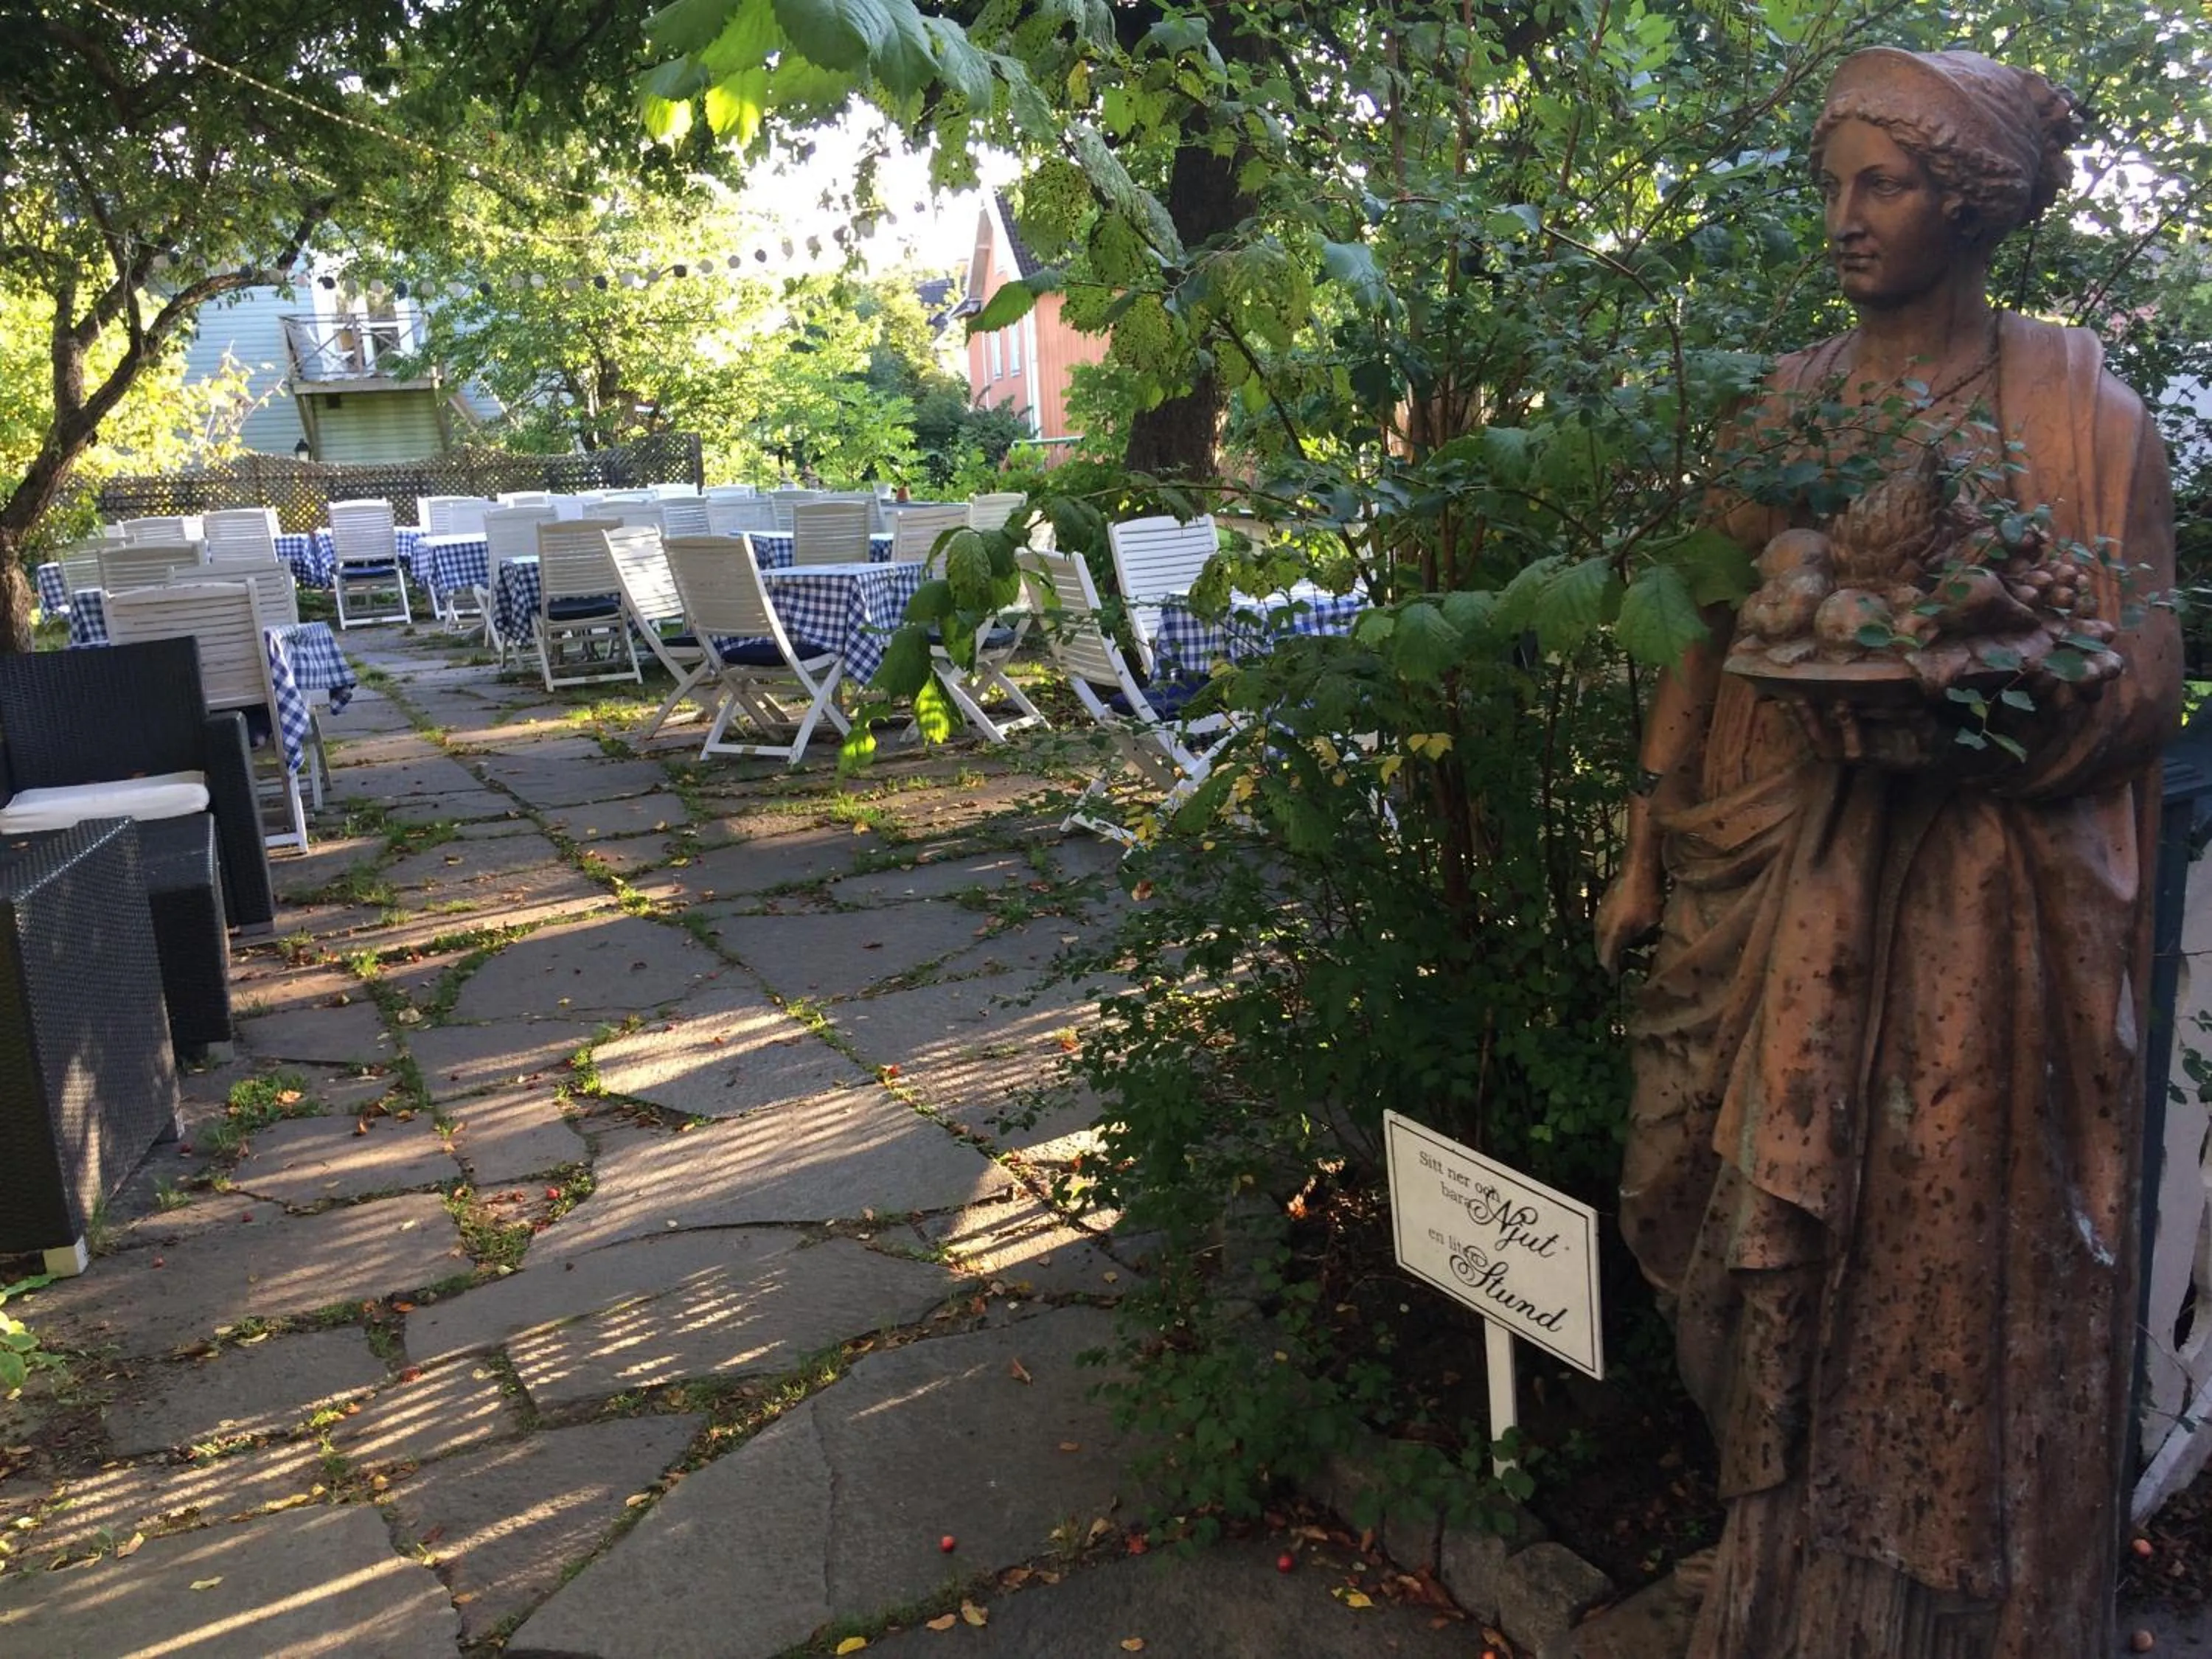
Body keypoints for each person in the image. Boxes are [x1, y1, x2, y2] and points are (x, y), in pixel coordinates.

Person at [1594, 47, 2181, 1658]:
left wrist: (1981, 717)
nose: (1843, 219)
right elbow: (1704, 632)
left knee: (1934, 1227)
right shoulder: (1789, 399)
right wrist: (1649, 843)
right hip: (1766, 856)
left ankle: (1930, 1607)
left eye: (1884, 184)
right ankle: (1772, 1568)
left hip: (1977, 909)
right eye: (1833, 184)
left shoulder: (2078, 408)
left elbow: (2141, 672)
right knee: (1711, 1192)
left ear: (1974, 202)